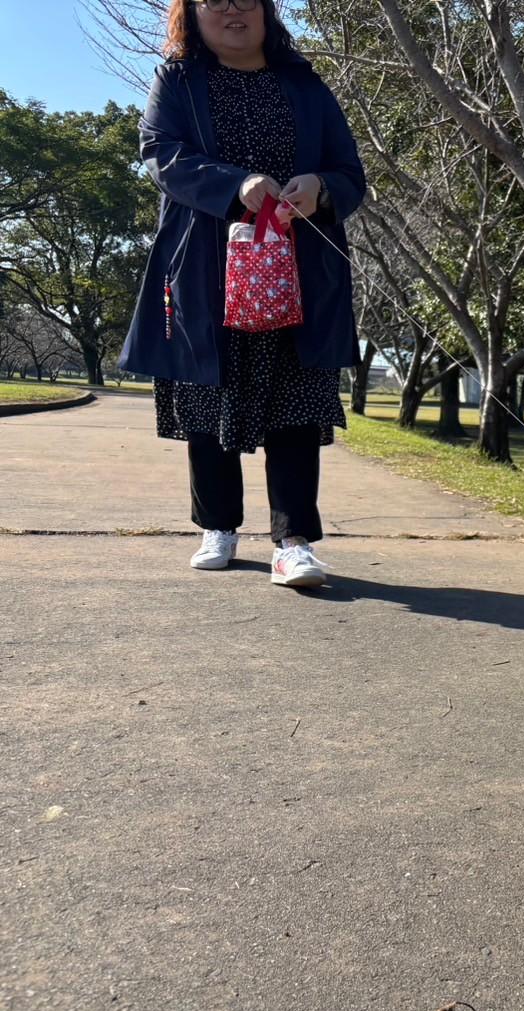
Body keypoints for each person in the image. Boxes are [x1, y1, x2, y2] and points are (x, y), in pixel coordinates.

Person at [119, 0, 365, 588]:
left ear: (265, 11)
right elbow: (162, 154)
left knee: (298, 407)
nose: (233, 9)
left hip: (296, 268)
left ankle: (294, 542)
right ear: (192, 14)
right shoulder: (176, 80)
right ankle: (218, 527)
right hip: (206, 267)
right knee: (207, 401)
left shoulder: (304, 84)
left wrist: (321, 188)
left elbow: (350, 173)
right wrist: (236, 184)